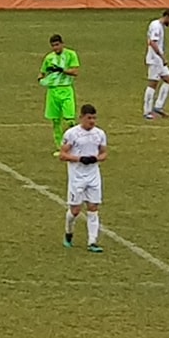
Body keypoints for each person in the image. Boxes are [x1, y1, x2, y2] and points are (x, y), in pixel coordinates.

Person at [57, 105, 107, 253]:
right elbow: (62, 155)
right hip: (77, 178)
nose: (92, 121)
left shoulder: (100, 134)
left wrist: (96, 158)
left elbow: (104, 153)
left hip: (93, 176)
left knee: (93, 208)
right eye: (89, 118)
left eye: (94, 118)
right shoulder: (72, 134)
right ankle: (68, 233)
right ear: (82, 118)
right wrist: (80, 158)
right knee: (75, 210)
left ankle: (92, 242)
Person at [38, 34, 80, 149]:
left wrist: (62, 70)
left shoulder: (71, 55)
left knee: (70, 120)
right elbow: (42, 72)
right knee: (56, 121)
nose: (55, 48)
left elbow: (75, 72)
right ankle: (60, 147)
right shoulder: (49, 58)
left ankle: (74, 144)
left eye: (57, 45)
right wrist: (41, 79)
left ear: (62, 44)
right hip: (52, 91)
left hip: (66, 89)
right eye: (53, 46)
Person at [144, 9, 169, 120]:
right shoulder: (156, 26)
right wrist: (162, 56)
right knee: (153, 84)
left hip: (159, 60)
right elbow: (152, 42)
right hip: (155, 60)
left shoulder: (159, 26)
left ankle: (158, 106)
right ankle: (147, 111)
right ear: (168, 17)